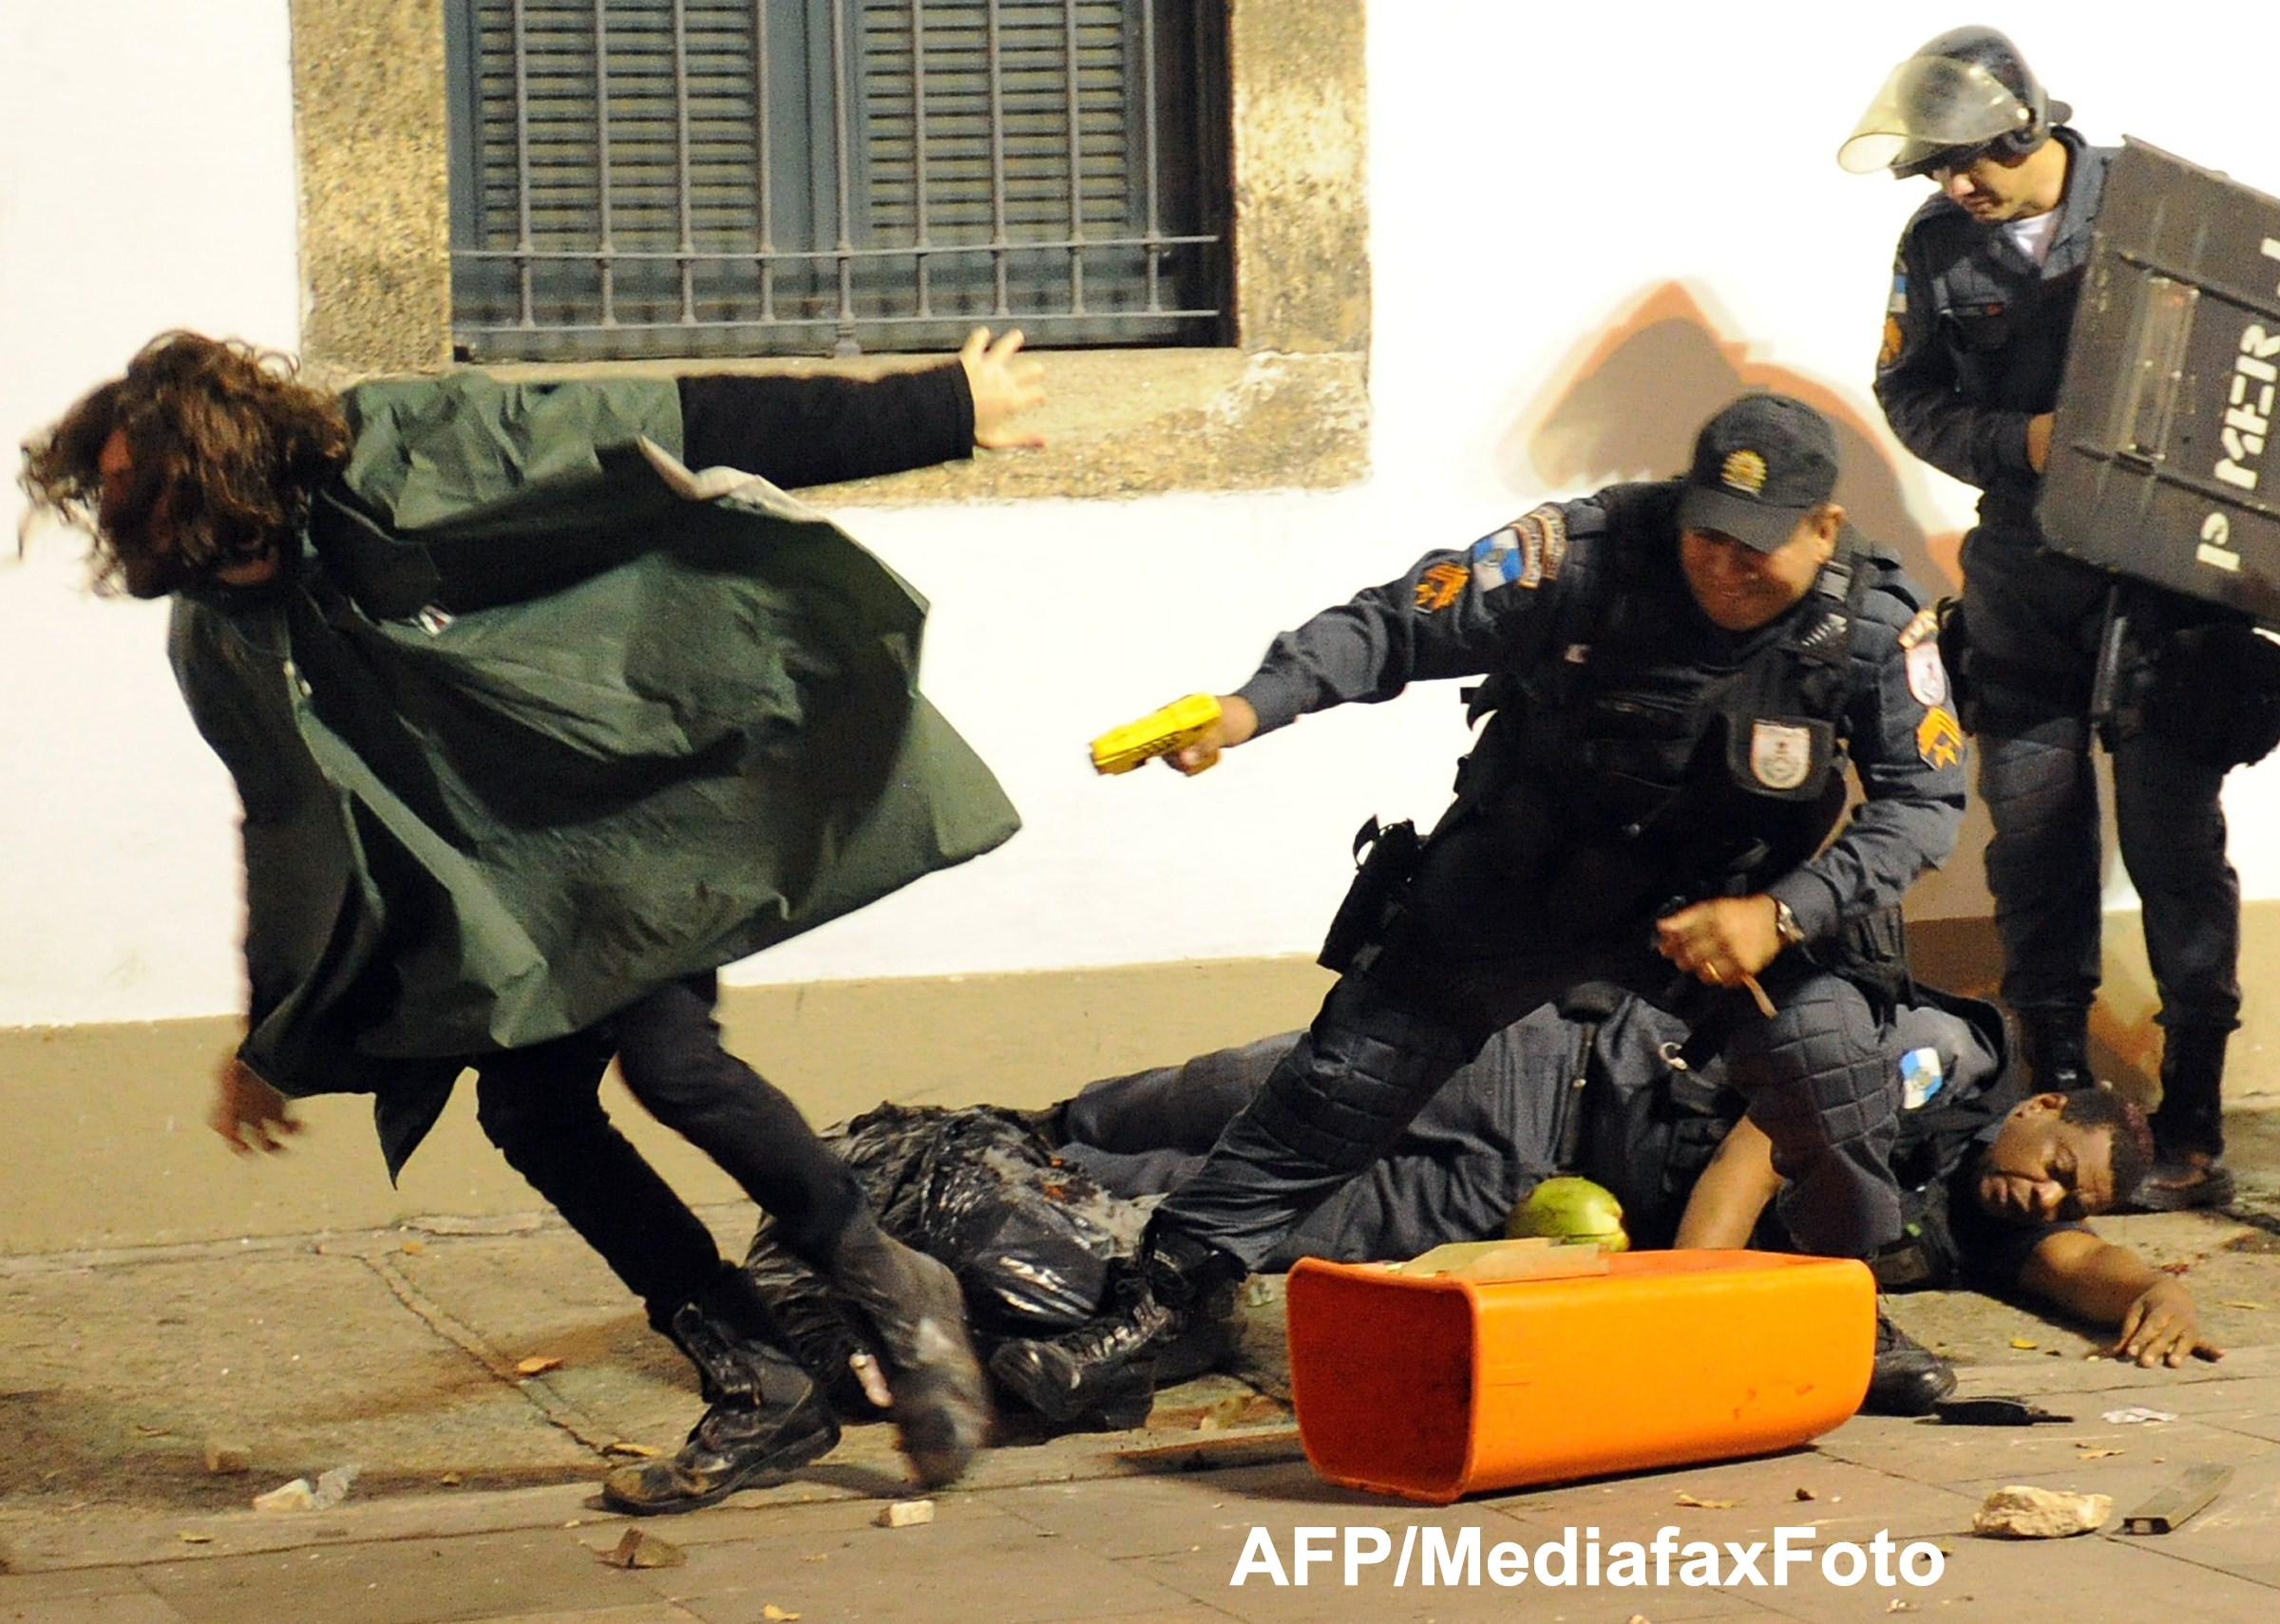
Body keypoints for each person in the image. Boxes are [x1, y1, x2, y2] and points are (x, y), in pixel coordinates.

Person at [19, 327, 1046, 1514]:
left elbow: (670, 415)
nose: (117, 523)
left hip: (627, 808)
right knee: (534, 1111)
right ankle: (763, 1376)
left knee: (672, 1065)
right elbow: (286, 827)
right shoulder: (218, 630)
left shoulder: (409, 452)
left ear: (212, 470)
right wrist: (268, 1038)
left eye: (131, 493)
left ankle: (885, 1275)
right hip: (508, 885)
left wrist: (940, 406)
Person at [988, 391, 1972, 1422]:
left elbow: (1923, 806)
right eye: (1709, 538)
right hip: (1526, 879)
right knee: (1341, 1083)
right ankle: (1174, 1295)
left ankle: (1845, 1304)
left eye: (1758, 548)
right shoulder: (1579, 554)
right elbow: (1391, 626)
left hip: (1724, 911)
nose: (1726, 566)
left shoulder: (1874, 627)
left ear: (1824, 529)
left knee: (1829, 1059)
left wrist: (1782, 914)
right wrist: (1247, 710)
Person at [735, 988, 2208, 1446]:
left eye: (2063, 1201)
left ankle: (1018, 1206)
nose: (2042, 1196)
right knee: (1250, 1090)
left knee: (1288, 1212)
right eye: (2058, 1164)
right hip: (1551, 1063)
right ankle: (1038, 1126)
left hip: (1538, 1195)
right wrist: (1686, 1305)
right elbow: (1767, 1133)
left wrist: (2157, 1288)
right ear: (2045, 1104)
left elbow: (2087, 1265)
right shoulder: (1947, 1062)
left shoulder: (1996, 1215)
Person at [1839, 26, 2242, 1210]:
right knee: (2034, 838)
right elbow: (1908, 391)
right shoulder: (1937, 248)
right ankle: (2054, 1086)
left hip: (2166, 575)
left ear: (2030, 128)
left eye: (1972, 161)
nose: (1958, 186)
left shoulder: (2161, 210)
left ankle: (2196, 1119)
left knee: (2174, 841)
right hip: (2026, 571)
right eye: (1938, 169)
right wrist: (2014, 444)